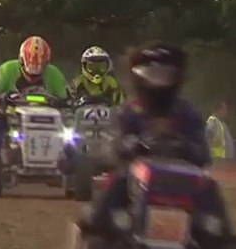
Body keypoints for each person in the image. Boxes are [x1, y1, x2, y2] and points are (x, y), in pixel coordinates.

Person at [79, 42, 211, 235]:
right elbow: (116, 147)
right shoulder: (130, 112)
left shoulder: (187, 113)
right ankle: (95, 228)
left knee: (209, 188)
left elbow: (203, 153)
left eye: (164, 75)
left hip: (183, 179)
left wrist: (183, 146)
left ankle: (217, 235)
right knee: (117, 180)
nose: (158, 83)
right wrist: (136, 145)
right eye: (152, 75)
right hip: (138, 180)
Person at [0, 36, 70, 160]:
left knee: (70, 122)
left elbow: (68, 100)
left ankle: (70, 156)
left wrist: (62, 104)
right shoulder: (7, 70)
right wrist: (0, 98)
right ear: (21, 61)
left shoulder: (55, 74)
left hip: (47, 116)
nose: (32, 78)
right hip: (11, 113)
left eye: (37, 75)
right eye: (29, 73)